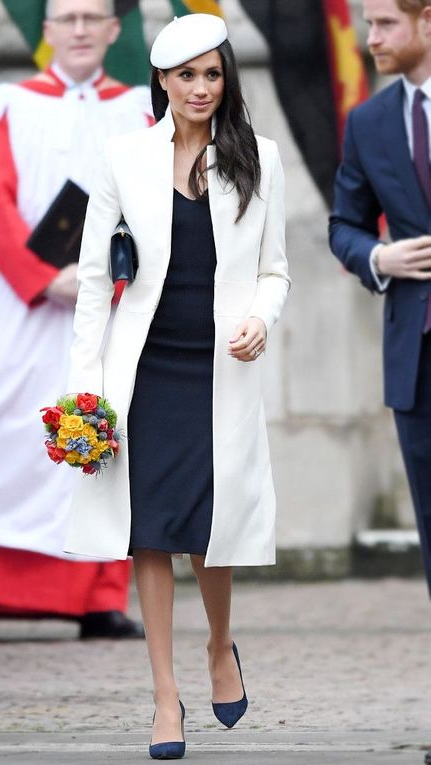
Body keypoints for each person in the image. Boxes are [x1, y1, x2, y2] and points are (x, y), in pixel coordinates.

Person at [65, 12, 290, 759]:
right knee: (150, 531)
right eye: (187, 74)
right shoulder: (123, 156)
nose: (201, 88)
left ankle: (220, 645)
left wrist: (262, 316)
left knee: (212, 533)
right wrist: (84, 389)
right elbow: (96, 281)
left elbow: (274, 269)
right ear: (163, 80)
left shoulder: (260, 156)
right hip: (146, 371)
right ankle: (166, 695)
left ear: (227, 79)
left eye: (213, 73)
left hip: (221, 367)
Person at [0, 0, 153, 641]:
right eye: (66, 19)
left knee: (98, 443)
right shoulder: (9, 104)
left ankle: (94, 600)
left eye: (91, 19)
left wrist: (106, 278)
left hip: (102, 317)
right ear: (46, 33)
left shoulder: (138, 112)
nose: (78, 30)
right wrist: (46, 279)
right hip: (18, 312)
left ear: (112, 31)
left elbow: (156, 206)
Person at [330, 4, 431, 761]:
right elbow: (344, 223)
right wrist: (378, 258)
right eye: (369, 23)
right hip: (417, 363)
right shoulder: (367, 121)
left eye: (387, 23)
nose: (371, 40)